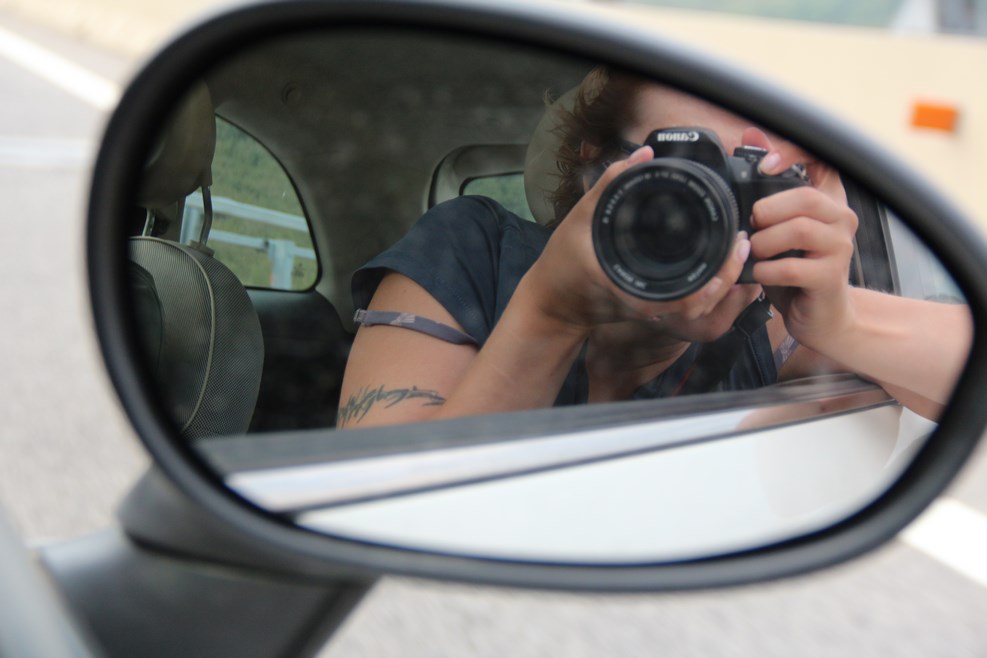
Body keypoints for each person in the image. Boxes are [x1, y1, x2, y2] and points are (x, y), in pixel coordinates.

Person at [337, 67, 971, 428]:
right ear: (592, 164)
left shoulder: (781, 329)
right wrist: (551, 311)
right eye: (680, 171)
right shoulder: (472, 250)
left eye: (743, 181)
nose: (704, 218)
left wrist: (841, 320)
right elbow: (384, 503)